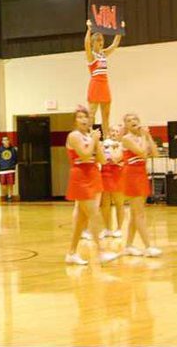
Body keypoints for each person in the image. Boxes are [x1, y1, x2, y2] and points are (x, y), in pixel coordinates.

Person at [65, 106, 118, 266]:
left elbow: (101, 160)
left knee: (82, 219)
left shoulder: (91, 136)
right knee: (94, 214)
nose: (83, 120)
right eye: (80, 117)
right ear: (75, 120)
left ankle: (71, 253)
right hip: (80, 176)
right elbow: (84, 154)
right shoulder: (73, 135)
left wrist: (99, 143)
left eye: (86, 117)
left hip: (93, 175)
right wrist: (95, 140)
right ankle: (100, 253)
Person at [121, 113, 162, 257]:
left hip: (141, 173)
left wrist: (149, 137)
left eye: (135, 119)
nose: (133, 121)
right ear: (125, 125)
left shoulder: (142, 137)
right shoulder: (126, 139)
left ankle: (128, 246)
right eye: (129, 120)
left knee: (134, 213)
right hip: (131, 174)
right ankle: (148, 247)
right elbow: (142, 154)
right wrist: (145, 137)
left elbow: (156, 154)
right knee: (140, 213)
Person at [84, 19, 125, 137]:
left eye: (101, 40)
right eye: (97, 40)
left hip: (104, 84)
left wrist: (119, 30)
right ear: (93, 43)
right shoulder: (91, 55)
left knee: (106, 115)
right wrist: (89, 30)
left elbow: (114, 45)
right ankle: (88, 136)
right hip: (95, 84)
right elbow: (86, 44)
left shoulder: (103, 53)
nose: (100, 42)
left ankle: (107, 138)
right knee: (91, 113)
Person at [99, 125, 125, 238]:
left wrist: (112, 149)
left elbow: (116, 159)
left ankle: (119, 228)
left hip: (118, 173)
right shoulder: (104, 143)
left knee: (119, 202)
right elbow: (101, 158)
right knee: (105, 203)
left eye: (117, 131)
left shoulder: (123, 144)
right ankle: (107, 228)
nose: (114, 133)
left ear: (121, 133)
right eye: (112, 131)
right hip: (104, 173)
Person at [0, 136, 17, 202]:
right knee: (3, 184)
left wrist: (12, 165)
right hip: (2, 170)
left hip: (11, 169)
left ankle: (10, 196)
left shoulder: (13, 149)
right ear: (2, 142)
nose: (6, 141)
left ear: (9, 141)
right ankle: (6, 195)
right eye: (4, 140)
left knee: (11, 184)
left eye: (7, 140)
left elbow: (16, 158)